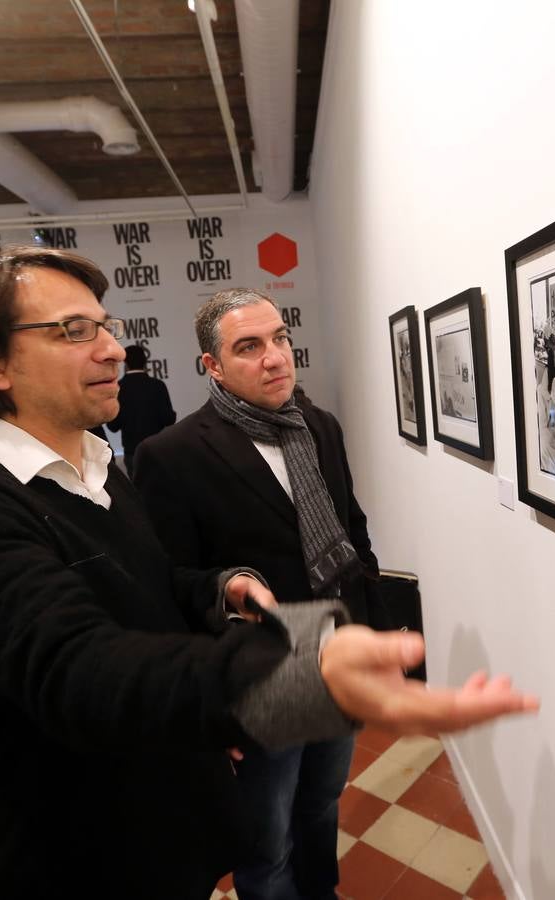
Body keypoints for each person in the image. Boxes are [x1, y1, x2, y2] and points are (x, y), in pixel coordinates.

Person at [0, 246, 537, 900]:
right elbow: (81, 669)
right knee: (270, 840)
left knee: (313, 810)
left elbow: (147, 584)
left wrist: (215, 585)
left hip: (167, 825)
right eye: (74, 331)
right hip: (80, 859)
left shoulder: (97, 472)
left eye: (107, 325)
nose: (114, 349)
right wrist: (294, 678)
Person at [133, 288, 375, 900]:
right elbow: (173, 583)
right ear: (212, 366)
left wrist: (365, 626)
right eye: (249, 347)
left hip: (334, 651)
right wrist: (209, 707)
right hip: (261, 671)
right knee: (266, 837)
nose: (275, 358)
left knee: (321, 803)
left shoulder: (318, 425)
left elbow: (350, 526)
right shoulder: (172, 454)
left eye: (280, 339)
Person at [105, 342, 175, 476]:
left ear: (125, 363)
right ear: (145, 361)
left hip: (132, 451)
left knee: (137, 494)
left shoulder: (118, 388)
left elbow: (113, 426)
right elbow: (168, 419)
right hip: (158, 449)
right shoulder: (158, 385)